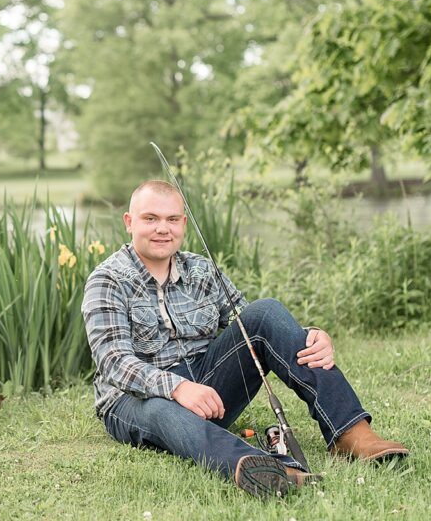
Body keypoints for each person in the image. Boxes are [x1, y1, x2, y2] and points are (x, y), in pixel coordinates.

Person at [82, 179, 409, 499]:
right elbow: (114, 363)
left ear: (183, 223)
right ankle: (263, 468)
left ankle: (351, 433)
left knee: (266, 312)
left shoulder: (202, 270)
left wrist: (308, 336)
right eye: (150, 218)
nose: (162, 229)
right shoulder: (107, 280)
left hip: (207, 390)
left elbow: (251, 323)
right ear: (129, 222)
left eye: (171, 219)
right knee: (162, 410)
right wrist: (177, 388)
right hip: (134, 401)